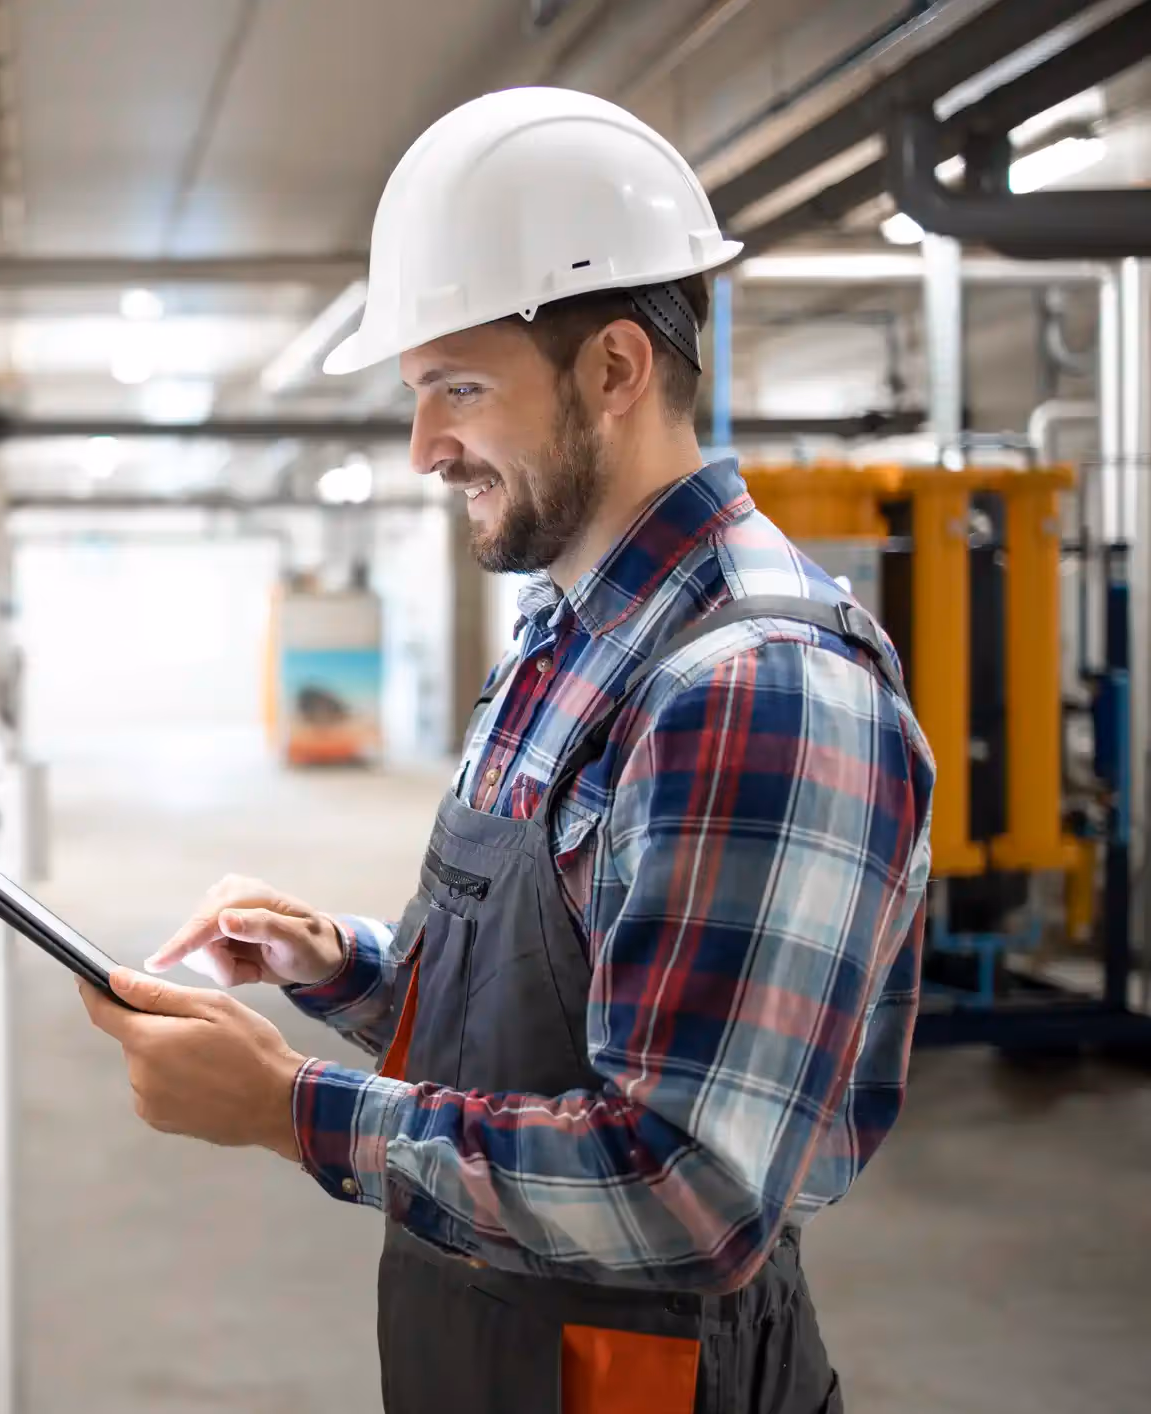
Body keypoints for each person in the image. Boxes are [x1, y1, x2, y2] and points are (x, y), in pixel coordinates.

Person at [77, 87, 934, 1414]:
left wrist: (287, 1106)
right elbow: (547, 1021)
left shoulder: (755, 688)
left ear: (614, 370)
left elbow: (688, 1191)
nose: (424, 448)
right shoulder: (560, 637)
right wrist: (342, 962)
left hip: (646, 1376)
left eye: (458, 389)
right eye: (420, 396)